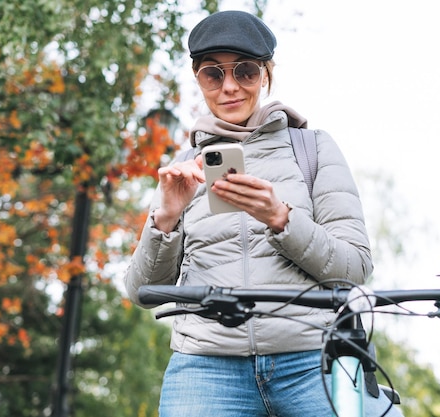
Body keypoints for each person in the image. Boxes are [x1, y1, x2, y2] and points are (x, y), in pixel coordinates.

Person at [124, 10, 404, 417]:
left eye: (245, 71)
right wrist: (164, 219)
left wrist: (282, 219)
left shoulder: (313, 150)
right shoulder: (183, 167)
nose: (230, 86)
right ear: (198, 80)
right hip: (206, 368)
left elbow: (355, 267)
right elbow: (142, 291)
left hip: (314, 361)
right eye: (213, 74)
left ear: (266, 73)